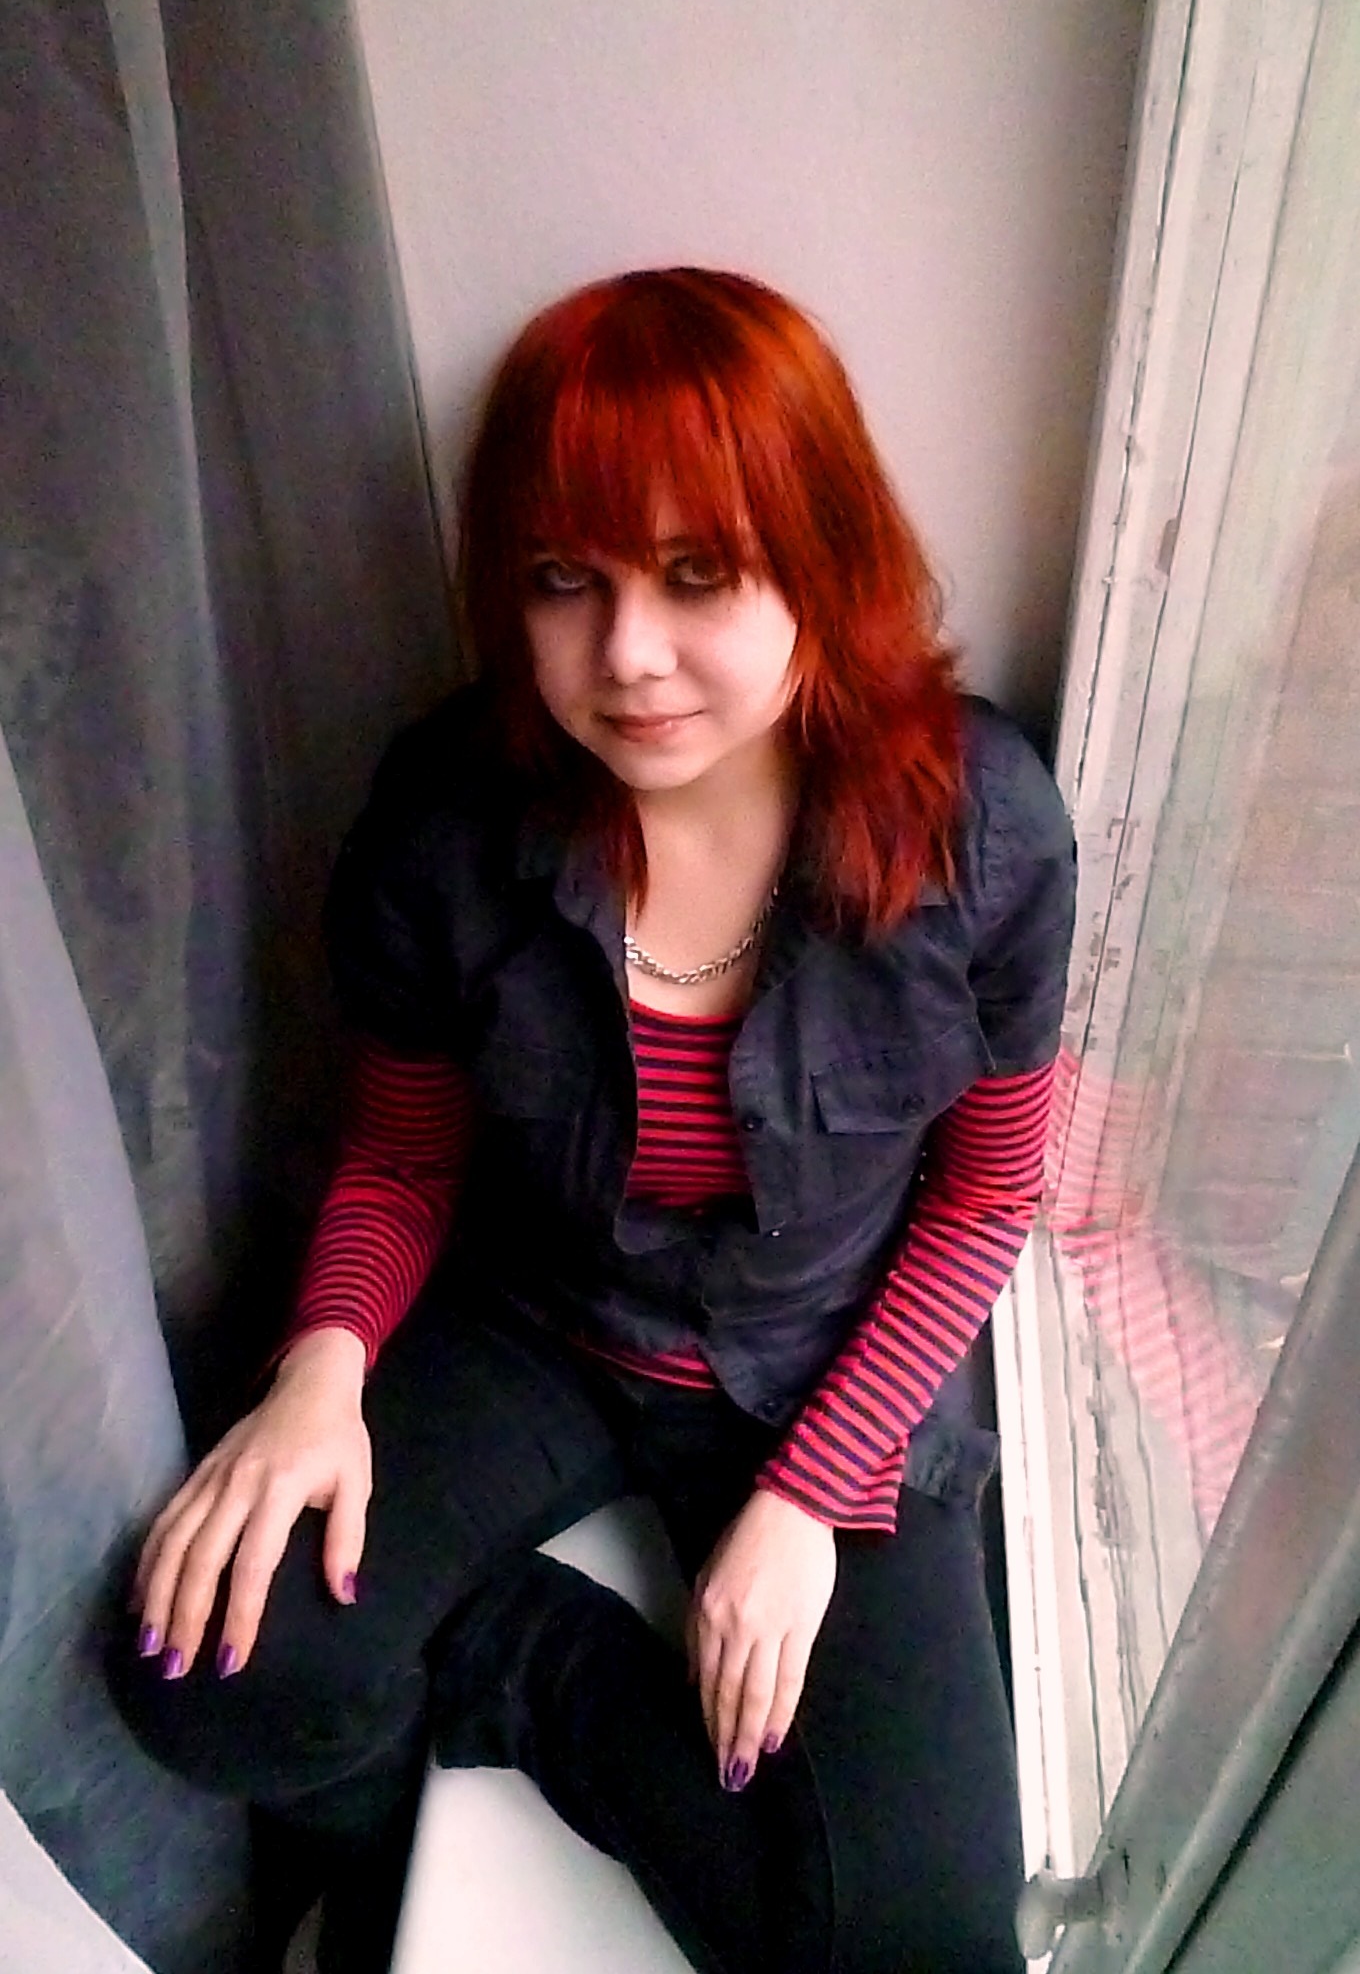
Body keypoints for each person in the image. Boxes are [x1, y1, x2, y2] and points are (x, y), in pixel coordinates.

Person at [111, 267, 1076, 1974]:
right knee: (214, 1672)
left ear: (820, 556)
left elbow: (990, 1191)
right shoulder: (448, 818)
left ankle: (525, 1673)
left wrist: (810, 1498)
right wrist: (321, 1371)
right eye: (566, 579)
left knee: (925, 1949)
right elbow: (401, 1151)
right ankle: (504, 1671)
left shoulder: (980, 829)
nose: (625, 654)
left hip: (819, 1358)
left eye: (697, 574)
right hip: (537, 1328)